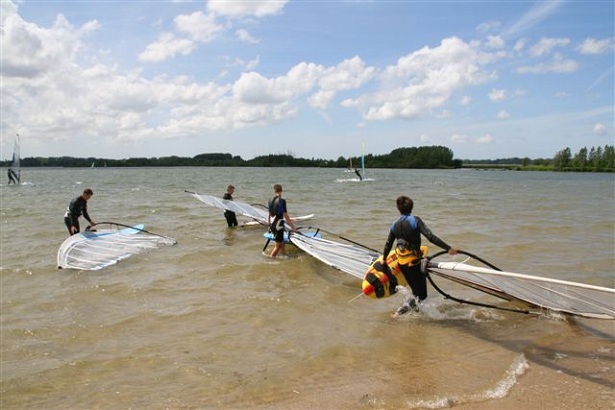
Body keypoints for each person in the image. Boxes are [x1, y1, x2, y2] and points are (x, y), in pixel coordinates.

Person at [382, 195, 458, 316]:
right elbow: (430, 237)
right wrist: (448, 248)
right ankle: (399, 313)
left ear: (398, 209)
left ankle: (414, 315)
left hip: (401, 263)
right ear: (412, 207)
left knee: (415, 292)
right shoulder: (415, 220)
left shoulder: (394, 224)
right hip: (414, 263)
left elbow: (388, 244)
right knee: (422, 296)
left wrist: (384, 259)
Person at [265, 184, 296, 258]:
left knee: (281, 242)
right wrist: (293, 228)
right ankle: (271, 259)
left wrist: (269, 226)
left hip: (272, 225)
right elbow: (286, 216)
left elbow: (270, 215)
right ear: (281, 191)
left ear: (274, 190)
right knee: (278, 246)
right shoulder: (282, 201)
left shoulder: (270, 200)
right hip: (279, 225)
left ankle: (284, 255)